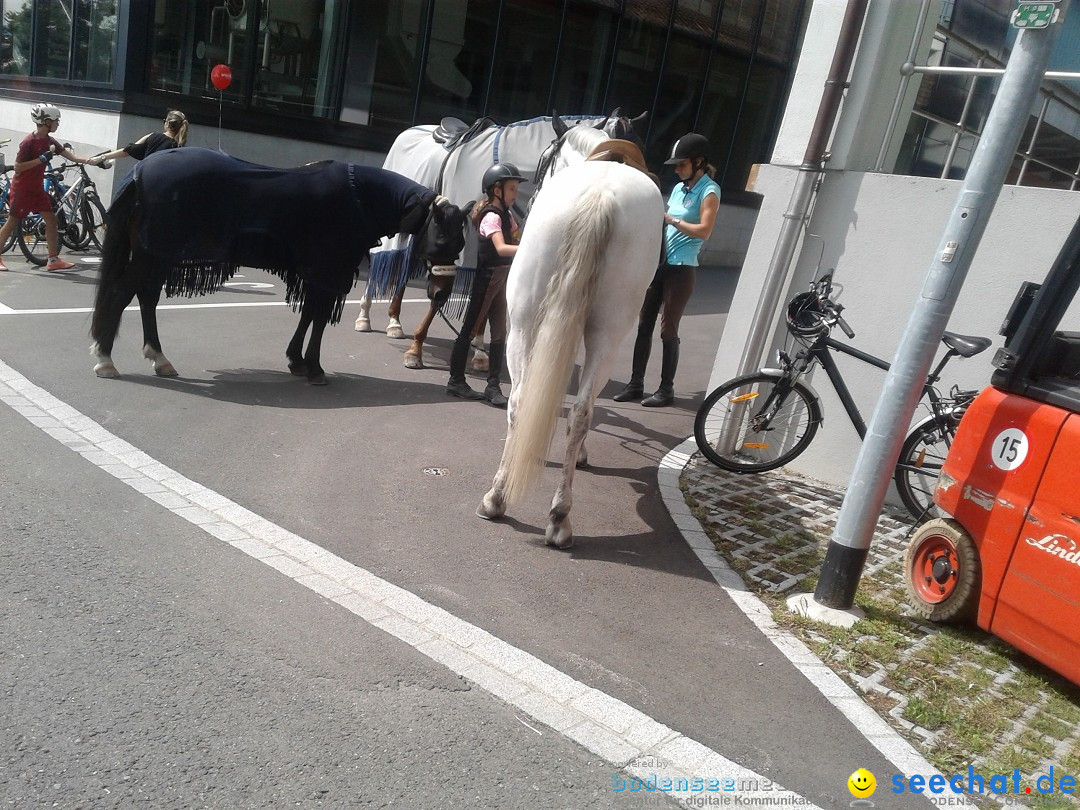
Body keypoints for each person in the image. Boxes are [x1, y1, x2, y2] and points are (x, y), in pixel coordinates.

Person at [612, 132, 720, 407]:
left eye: (682, 164)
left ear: (698, 162)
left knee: (668, 330)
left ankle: (666, 389)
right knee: (644, 325)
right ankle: (635, 384)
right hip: (660, 263)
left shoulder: (709, 190)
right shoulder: (679, 189)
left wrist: (671, 219)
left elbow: (705, 231)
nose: (677, 169)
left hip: (681, 270)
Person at [445, 163, 526, 406]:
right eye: (512, 189)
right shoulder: (491, 215)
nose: (515, 194)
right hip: (487, 278)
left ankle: (493, 387)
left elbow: (517, 235)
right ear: (496, 190)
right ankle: (456, 381)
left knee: (500, 332)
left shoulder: (507, 215)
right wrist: (531, 249)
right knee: (469, 329)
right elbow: (501, 248)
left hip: (502, 278)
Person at [0, 103, 97, 272]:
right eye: (56, 120)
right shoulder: (28, 142)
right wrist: (41, 160)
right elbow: (17, 167)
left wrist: (91, 160)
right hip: (22, 188)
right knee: (12, 222)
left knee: (51, 220)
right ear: (46, 121)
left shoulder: (49, 140)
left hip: (37, 189)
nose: (58, 123)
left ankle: (53, 260)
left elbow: (71, 156)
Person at [88, 109, 188, 167]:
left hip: (145, 181)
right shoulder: (180, 148)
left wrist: (101, 157)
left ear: (167, 124)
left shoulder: (153, 136)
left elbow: (127, 150)